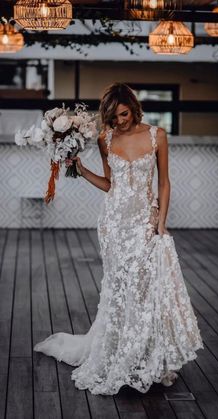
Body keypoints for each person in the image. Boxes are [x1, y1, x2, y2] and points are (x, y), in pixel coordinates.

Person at [34, 82, 203, 395]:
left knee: (144, 289)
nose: (120, 120)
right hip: (113, 225)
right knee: (119, 289)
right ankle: (118, 353)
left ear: (134, 108)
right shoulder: (105, 138)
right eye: (114, 116)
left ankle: (145, 357)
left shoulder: (157, 136)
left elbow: (164, 183)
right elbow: (111, 184)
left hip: (144, 223)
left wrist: (161, 223)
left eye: (124, 114)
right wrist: (81, 170)